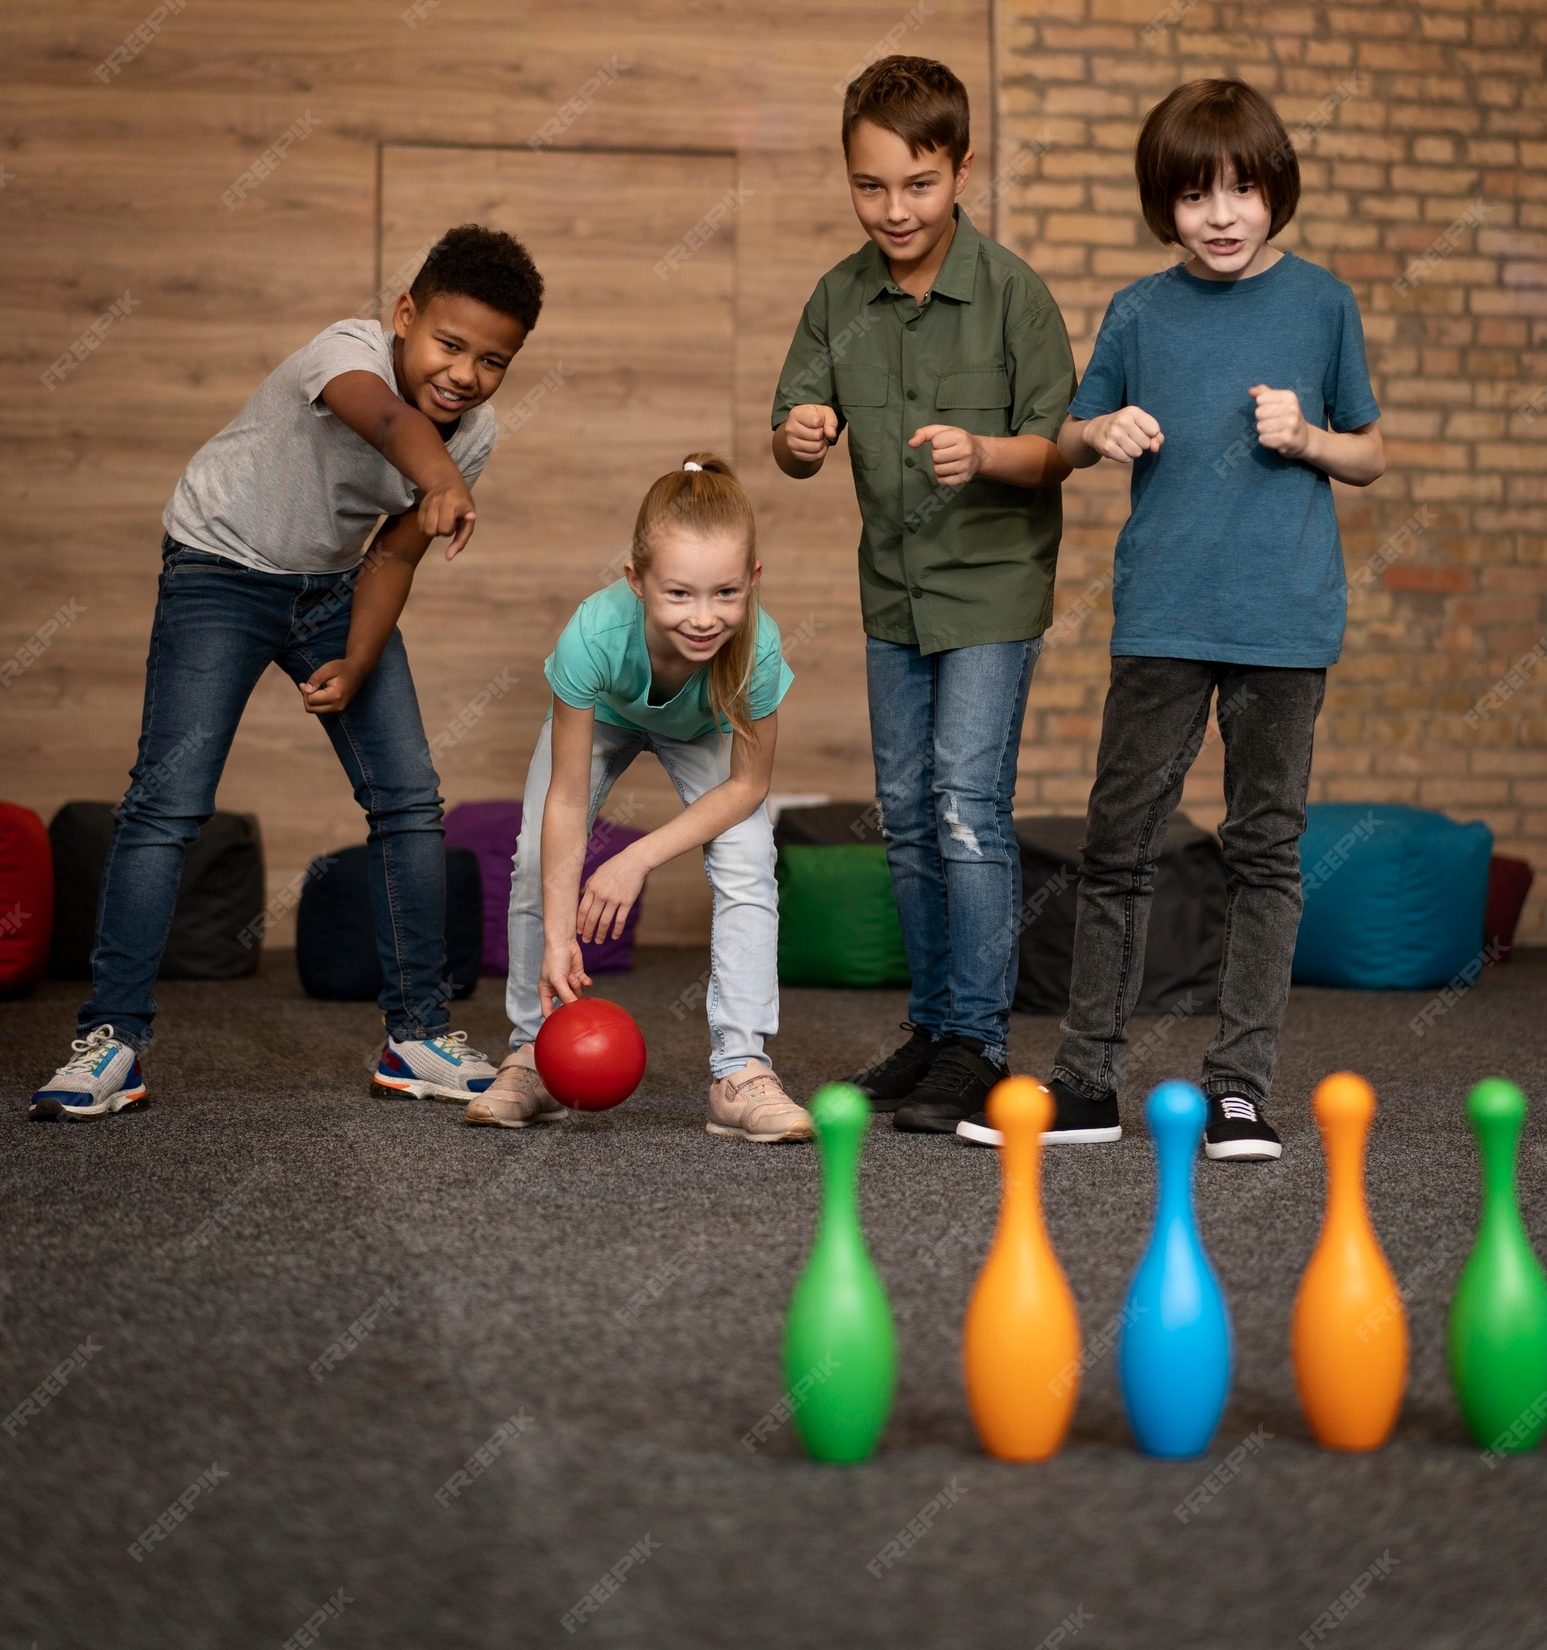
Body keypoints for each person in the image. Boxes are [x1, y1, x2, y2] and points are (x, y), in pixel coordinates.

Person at [960, 77, 1385, 1162]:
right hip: (1159, 615)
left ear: (1274, 189)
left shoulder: (1322, 304)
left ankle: (1238, 1088)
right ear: (1165, 204)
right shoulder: (1139, 310)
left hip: (1283, 621)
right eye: (1195, 194)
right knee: (1116, 848)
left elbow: (1369, 452)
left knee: (1263, 850)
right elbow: (1064, 435)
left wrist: (1308, 439)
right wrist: (1098, 432)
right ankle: (1086, 1079)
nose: (1221, 214)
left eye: (1242, 189)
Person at [29, 224, 544, 1120]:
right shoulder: (344, 353)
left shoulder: (476, 437)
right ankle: (110, 1040)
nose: (464, 374)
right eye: (449, 345)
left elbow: (392, 557)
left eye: (492, 361)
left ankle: (417, 1034)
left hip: (335, 587)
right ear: (404, 315)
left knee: (409, 797)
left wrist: (357, 658)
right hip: (219, 568)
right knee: (168, 802)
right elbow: (386, 421)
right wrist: (439, 483)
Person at [770, 55, 1076, 1135]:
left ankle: (981, 1046)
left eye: (917, 183)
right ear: (848, 178)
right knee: (903, 818)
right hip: (892, 597)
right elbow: (791, 432)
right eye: (869, 186)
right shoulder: (836, 298)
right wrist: (798, 438)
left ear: (960, 170)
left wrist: (984, 453)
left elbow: (1056, 449)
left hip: (990, 592)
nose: (892, 209)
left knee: (962, 807)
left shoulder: (1012, 295)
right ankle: (934, 1022)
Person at [470, 453, 811, 1142]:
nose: (704, 618)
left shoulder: (759, 651)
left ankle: (742, 1069)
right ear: (635, 581)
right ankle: (531, 1056)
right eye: (678, 594)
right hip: (608, 720)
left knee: (750, 861)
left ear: (753, 580)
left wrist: (636, 859)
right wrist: (562, 935)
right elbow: (567, 801)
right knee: (538, 858)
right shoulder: (591, 637)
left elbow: (749, 785)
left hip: (705, 727)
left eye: (725, 594)